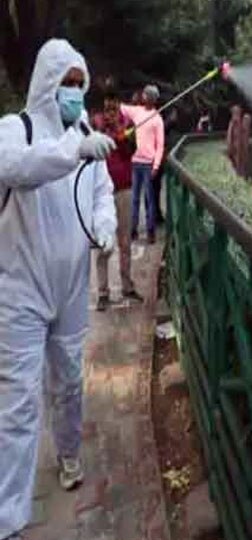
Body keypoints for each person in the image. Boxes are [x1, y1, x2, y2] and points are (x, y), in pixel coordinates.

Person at [0, 39, 117, 539]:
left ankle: (69, 456)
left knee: (69, 383)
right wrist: (74, 149)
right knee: (18, 402)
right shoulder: (13, 129)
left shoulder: (86, 133)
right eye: (66, 83)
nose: (74, 92)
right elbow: (16, 169)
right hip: (19, 291)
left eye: (79, 83)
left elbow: (101, 192)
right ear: (45, 83)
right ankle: (9, 517)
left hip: (71, 287)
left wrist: (106, 225)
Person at [92, 91, 144, 311]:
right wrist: (104, 131)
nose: (110, 113)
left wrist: (122, 137)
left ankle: (127, 285)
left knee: (124, 242)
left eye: (113, 109)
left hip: (124, 189)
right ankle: (103, 291)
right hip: (102, 192)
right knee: (104, 243)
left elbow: (132, 150)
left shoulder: (128, 126)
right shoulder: (95, 127)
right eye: (107, 109)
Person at [120, 85, 165, 244]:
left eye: (146, 95)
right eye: (144, 94)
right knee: (135, 199)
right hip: (135, 162)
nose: (144, 96)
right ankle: (133, 230)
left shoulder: (157, 119)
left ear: (152, 98)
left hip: (148, 164)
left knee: (149, 199)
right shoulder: (137, 111)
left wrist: (156, 166)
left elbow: (160, 145)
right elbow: (121, 108)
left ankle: (150, 231)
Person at [226, 105, 243, 174]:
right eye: (236, 112)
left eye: (238, 112)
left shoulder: (239, 122)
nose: (237, 114)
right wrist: (230, 145)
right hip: (234, 145)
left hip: (239, 146)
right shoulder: (233, 123)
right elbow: (229, 135)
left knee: (239, 162)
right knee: (234, 162)